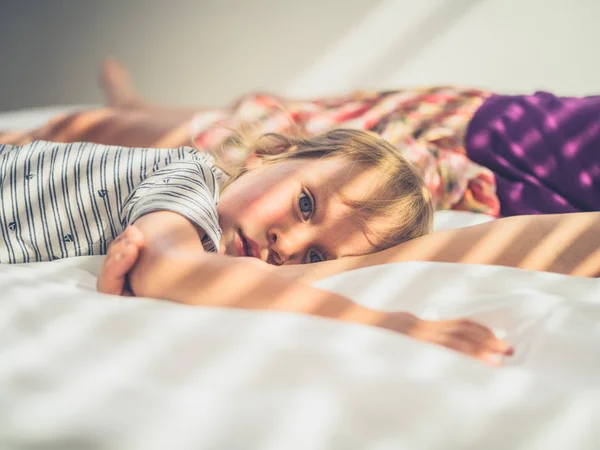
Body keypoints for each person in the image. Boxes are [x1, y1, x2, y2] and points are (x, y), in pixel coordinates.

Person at [0, 129, 516, 363]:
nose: (286, 244)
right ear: (269, 157)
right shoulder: (187, 179)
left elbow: (165, 273)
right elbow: (173, 270)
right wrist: (392, 323)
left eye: (315, 258)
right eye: (307, 204)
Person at [1, 58, 598, 218]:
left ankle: (136, 106)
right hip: (476, 131)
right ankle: (132, 108)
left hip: (456, 174)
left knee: (274, 137)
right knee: (266, 130)